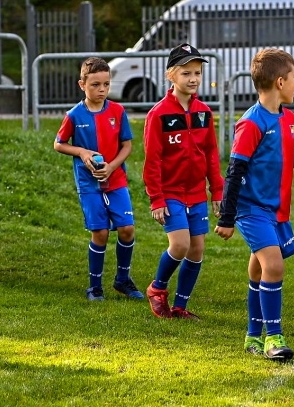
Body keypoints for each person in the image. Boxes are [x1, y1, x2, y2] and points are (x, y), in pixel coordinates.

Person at [217, 48, 294, 362]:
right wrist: (227, 217)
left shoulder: (288, 118)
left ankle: (252, 336)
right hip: (251, 208)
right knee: (274, 266)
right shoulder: (251, 123)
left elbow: (283, 158)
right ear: (279, 82)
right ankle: (274, 338)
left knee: (260, 266)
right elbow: (235, 170)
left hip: (275, 210)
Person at [142, 44, 224, 319]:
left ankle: (180, 306)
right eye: (186, 73)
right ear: (171, 76)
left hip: (197, 193)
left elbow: (212, 154)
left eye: (197, 73)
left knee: (197, 249)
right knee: (179, 245)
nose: (193, 78)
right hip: (170, 192)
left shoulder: (204, 113)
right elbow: (152, 160)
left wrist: (217, 192)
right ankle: (157, 289)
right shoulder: (158, 114)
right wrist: (156, 198)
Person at [53, 57, 143, 300]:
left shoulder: (117, 111)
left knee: (127, 229)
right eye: (95, 85)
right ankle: (95, 287)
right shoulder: (74, 115)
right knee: (100, 233)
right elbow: (59, 144)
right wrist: (81, 152)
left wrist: (112, 166)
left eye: (106, 84)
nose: (102, 89)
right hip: (89, 184)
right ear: (82, 84)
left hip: (116, 180)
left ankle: (122, 280)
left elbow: (127, 146)